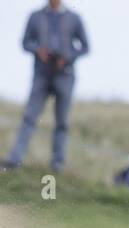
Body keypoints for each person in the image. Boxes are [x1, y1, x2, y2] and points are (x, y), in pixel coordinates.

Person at [1, 1, 89, 173]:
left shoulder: (74, 18)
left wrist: (68, 57)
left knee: (62, 122)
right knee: (29, 117)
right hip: (41, 74)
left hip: (65, 75)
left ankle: (57, 167)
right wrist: (38, 50)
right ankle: (14, 160)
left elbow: (85, 47)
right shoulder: (35, 17)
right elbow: (25, 42)